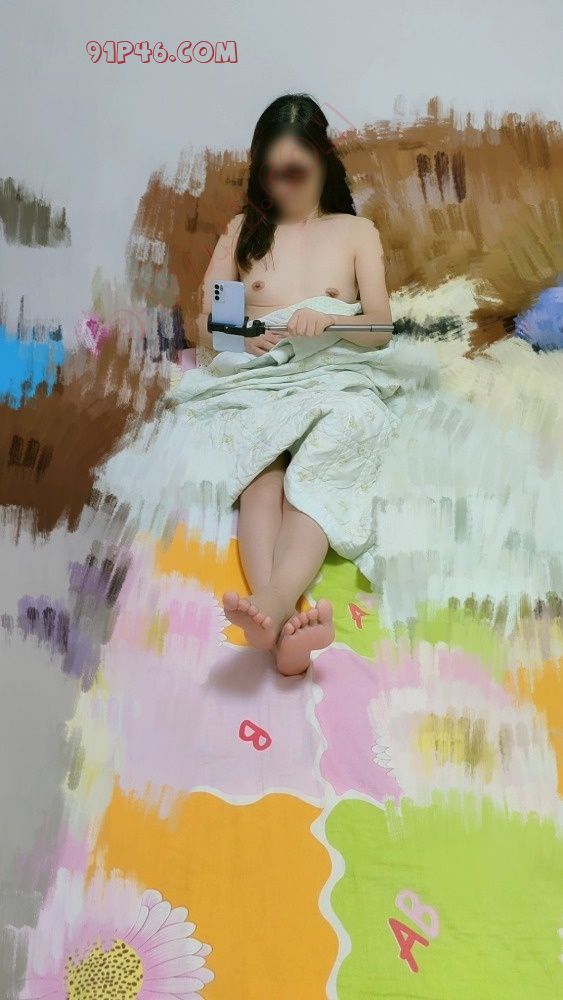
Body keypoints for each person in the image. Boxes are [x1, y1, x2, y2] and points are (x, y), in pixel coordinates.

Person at [193, 93, 393, 677]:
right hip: (261, 376)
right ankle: (282, 626)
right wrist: (244, 335)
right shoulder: (243, 232)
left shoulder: (356, 232)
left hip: (334, 369)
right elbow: (208, 325)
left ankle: (272, 609)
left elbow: (381, 328)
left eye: (296, 172)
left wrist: (331, 322)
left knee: (333, 451)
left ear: (322, 161)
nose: (282, 186)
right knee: (261, 471)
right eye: (271, 173)